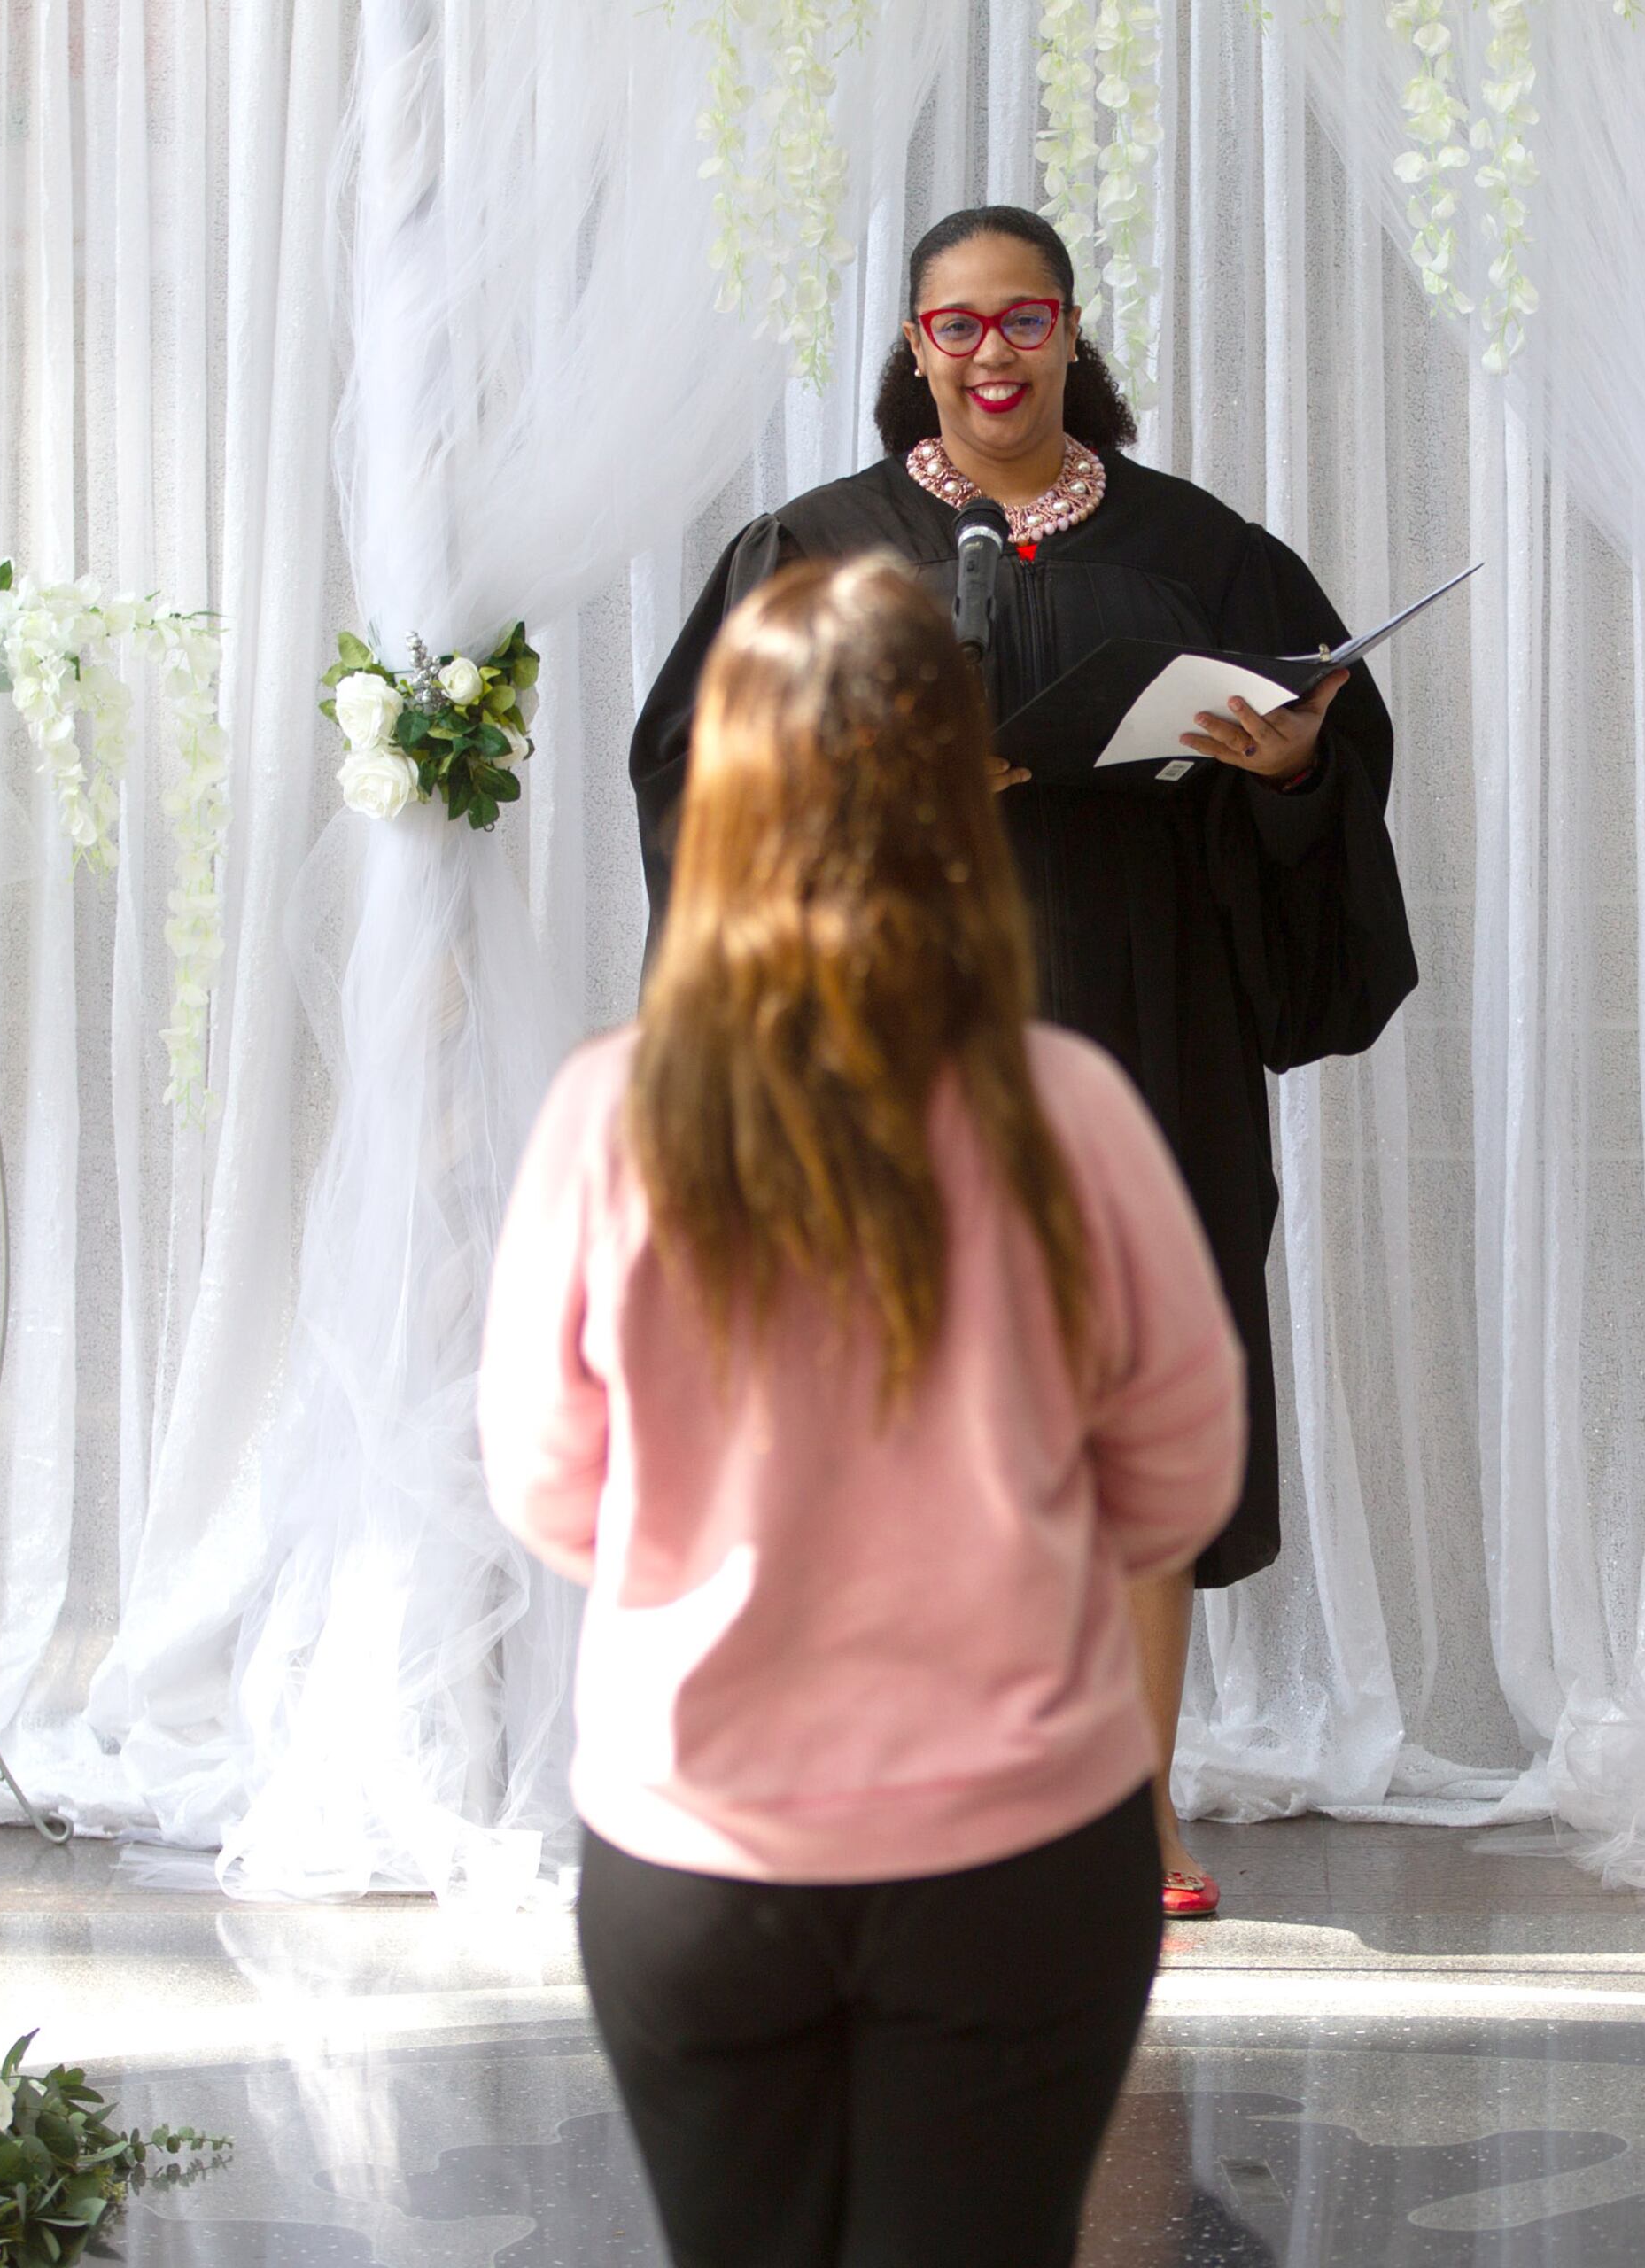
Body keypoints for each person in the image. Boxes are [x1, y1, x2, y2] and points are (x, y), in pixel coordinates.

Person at [628, 205, 1417, 1921]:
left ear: (1071, 335)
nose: (993, 355)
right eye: (957, 326)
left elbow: (1334, 759)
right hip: (894, 1033)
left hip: (1143, 1028)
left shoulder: (1205, 553)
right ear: (914, 348)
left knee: (1127, 1421)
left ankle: (1133, 1821)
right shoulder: (811, 548)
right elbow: (699, 773)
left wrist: (1289, 769)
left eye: (1024, 320)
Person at [479, 555, 1249, 2266]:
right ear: (956, 797)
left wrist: (720, 1535)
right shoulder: (1073, 1109)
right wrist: (998, 1548)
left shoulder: (610, 1115)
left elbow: (545, 1483)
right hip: (1023, 1859)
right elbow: (1183, 1474)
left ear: (724, 800)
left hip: (698, 1856)